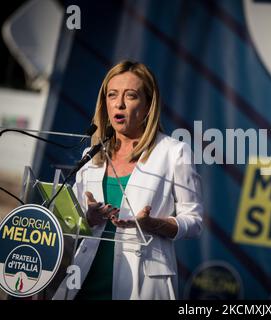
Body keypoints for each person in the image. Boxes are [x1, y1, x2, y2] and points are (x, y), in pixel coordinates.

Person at [53, 60, 203, 300]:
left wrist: (153, 223)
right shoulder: (90, 157)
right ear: (105, 103)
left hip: (142, 286)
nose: (119, 103)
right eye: (112, 95)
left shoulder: (174, 152)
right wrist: (88, 218)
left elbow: (194, 221)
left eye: (130, 96)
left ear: (147, 106)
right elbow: (76, 222)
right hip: (83, 281)